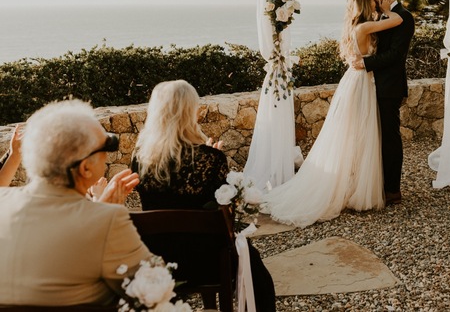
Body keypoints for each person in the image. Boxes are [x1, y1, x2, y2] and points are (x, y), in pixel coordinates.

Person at [131, 79, 276, 311]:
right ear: (189, 113)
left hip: (161, 261)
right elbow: (221, 207)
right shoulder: (211, 159)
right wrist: (212, 157)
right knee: (257, 273)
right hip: (209, 261)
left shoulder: (139, 160)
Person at [262, 0, 403, 227]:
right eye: (373, 0)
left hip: (356, 80)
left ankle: (352, 184)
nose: (377, 2)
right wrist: (389, 10)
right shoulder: (364, 28)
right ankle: (355, 188)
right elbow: (398, 20)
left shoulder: (355, 26)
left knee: (355, 134)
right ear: (365, 4)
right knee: (360, 134)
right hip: (361, 84)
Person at [0, 99, 152, 306]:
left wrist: (97, 208)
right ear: (85, 168)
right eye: (106, 146)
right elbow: (152, 291)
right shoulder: (107, 219)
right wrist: (102, 212)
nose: (108, 154)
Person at [362, 0, 415, 205]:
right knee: (376, 137)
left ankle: (393, 189)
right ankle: (376, 184)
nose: (371, 0)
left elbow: (396, 55)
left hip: (390, 87)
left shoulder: (403, 16)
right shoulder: (378, 17)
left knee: (390, 138)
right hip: (371, 86)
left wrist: (365, 64)